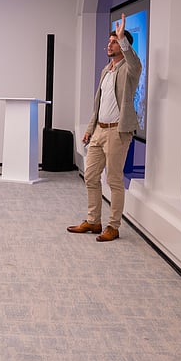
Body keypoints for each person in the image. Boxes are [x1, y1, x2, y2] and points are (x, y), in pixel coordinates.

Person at [68, 14, 142, 242]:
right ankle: (93, 221)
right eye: (109, 42)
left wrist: (122, 39)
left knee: (114, 180)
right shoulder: (105, 71)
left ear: (122, 45)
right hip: (100, 130)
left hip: (118, 132)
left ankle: (113, 226)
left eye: (113, 42)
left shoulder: (129, 71)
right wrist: (91, 128)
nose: (108, 45)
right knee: (90, 176)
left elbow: (135, 63)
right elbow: (98, 105)